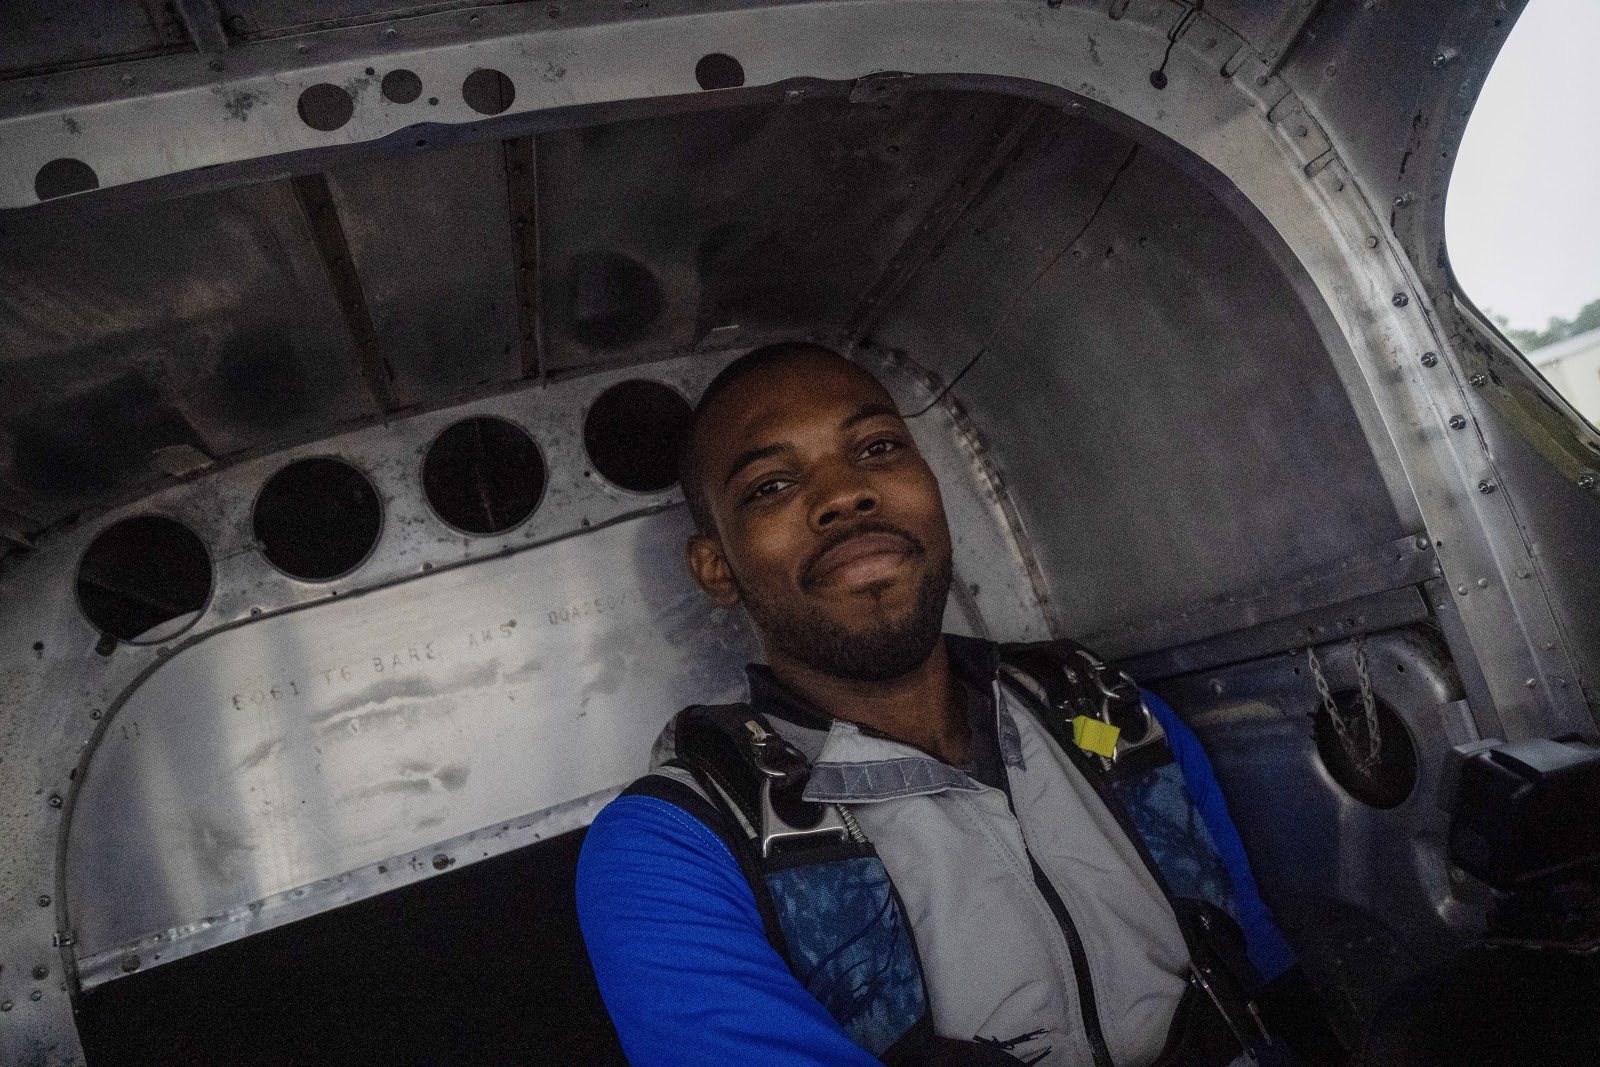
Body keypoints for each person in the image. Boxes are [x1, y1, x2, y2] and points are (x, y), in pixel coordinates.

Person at [576, 342, 1335, 1066]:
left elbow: (1263, 959)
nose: (845, 493)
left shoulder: (1107, 708)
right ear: (716, 568)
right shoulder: (673, 846)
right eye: (770, 486)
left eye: (876, 448)